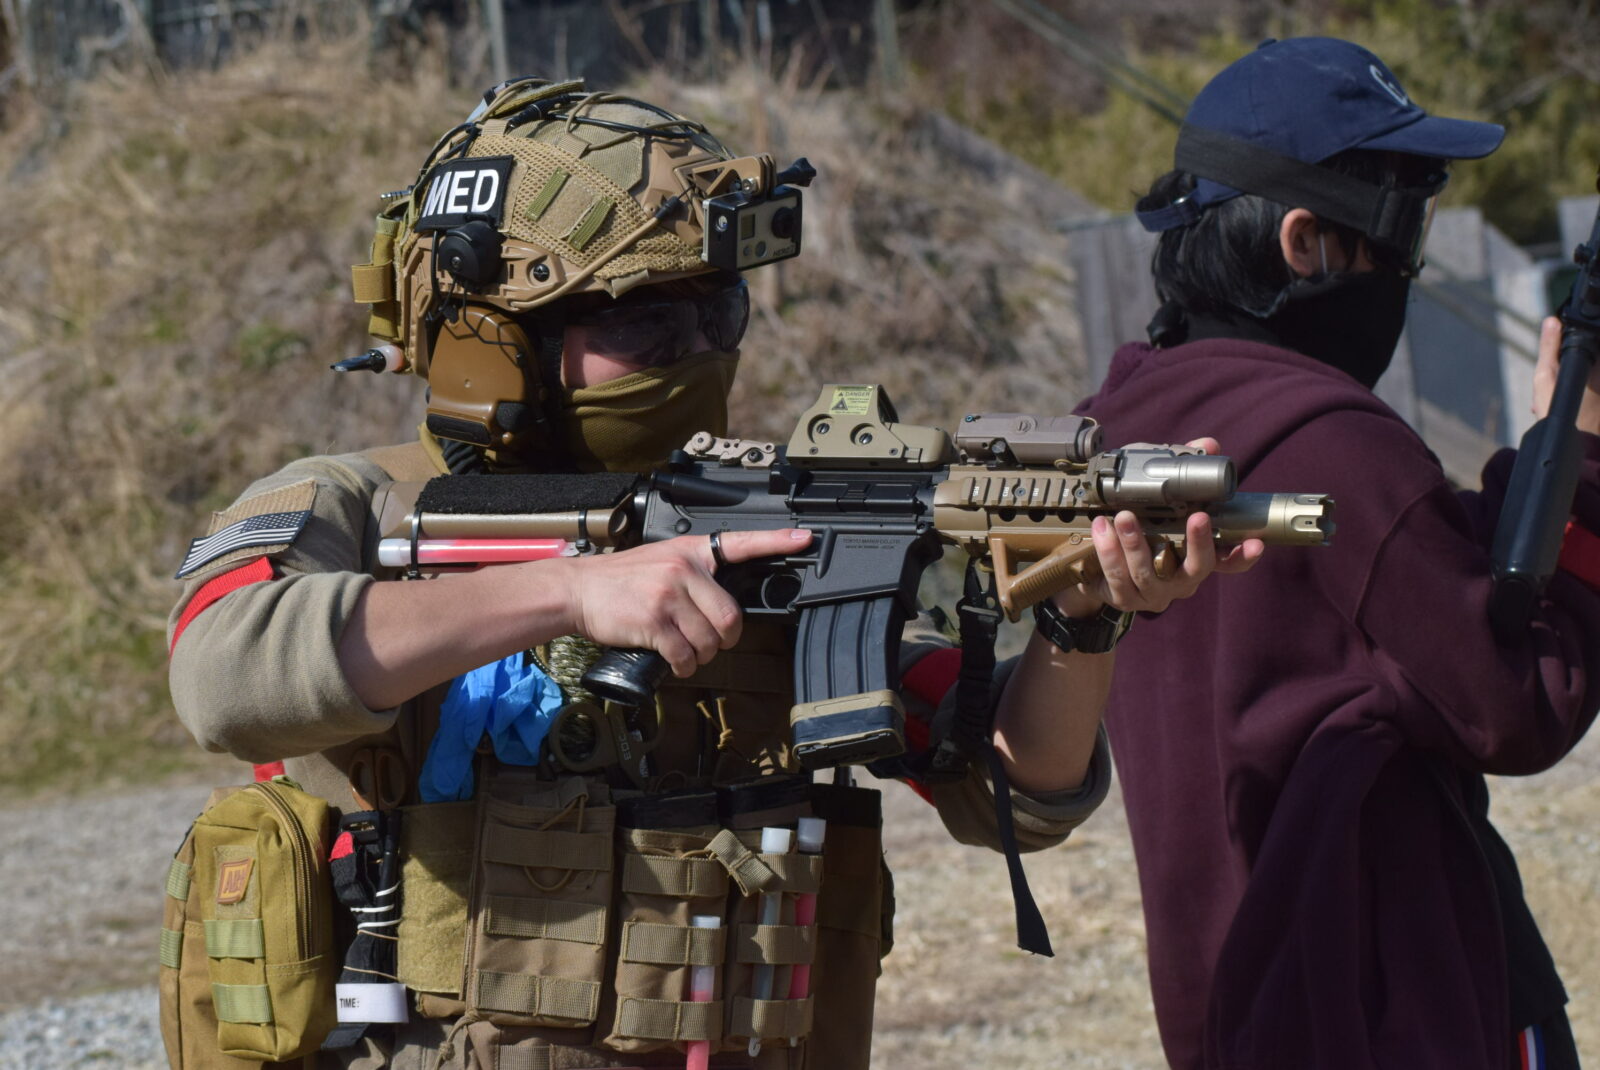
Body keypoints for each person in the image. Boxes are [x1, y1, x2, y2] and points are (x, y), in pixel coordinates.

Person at [165, 79, 1254, 1069]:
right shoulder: (354, 503)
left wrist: (1077, 623)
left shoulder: (756, 521)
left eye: (716, 310)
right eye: (648, 324)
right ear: (493, 339)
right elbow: (222, 673)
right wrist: (570, 591)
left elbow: (1018, 789)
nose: (696, 352)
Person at [1077, 36, 1600, 1070]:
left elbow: (1395, 586)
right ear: (1305, 241)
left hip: (1234, 1012)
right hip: (1397, 1009)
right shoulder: (1333, 443)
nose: (1407, 262)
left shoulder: (1123, 424)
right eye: (1400, 225)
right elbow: (1517, 701)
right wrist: (1580, 463)